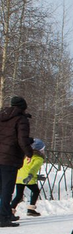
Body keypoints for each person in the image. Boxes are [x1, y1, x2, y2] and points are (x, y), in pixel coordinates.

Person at [0, 96, 33, 227]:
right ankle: (3, 218)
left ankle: (7, 213)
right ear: (23, 107)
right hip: (9, 158)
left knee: (1, 188)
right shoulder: (21, 119)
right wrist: (29, 152)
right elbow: (21, 140)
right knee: (7, 189)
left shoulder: (2, 116)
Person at [11, 138, 45, 217]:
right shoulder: (39, 158)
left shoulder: (27, 156)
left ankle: (10, 210)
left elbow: (25, 167)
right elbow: (34, 168)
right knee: (36, 191)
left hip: (19, 177)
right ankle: (31, 209)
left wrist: (36, 176)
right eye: (42, 149)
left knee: (19, 195)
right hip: (28, 178)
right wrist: (31, 175)